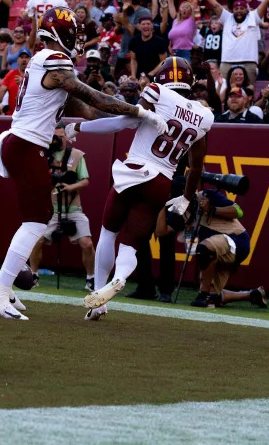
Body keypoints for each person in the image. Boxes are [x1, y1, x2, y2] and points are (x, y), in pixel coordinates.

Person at [0, 7, 168, 320]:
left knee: (35, 218)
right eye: (74, 32)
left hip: (22, 144)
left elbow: (89, 110)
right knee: (37, 221)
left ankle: (1, 283)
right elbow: (96, 97)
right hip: (26, 144)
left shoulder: (45, 65)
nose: (77, 38)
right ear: (62, 33)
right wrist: (142, 113)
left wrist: (127, 120)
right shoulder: (55, 60)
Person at [71, 57, 213, 320]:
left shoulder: (158, 93)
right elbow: (196, 167)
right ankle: (121, 277)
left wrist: (78, 126)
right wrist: (185, 198)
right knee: (130, 247)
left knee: (107, 233)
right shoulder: (204, 114)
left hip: (134, 172)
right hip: (162, 181)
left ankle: (99, 298)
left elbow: (119, 123)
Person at [28, 123, 96, 292]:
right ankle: (33, 274)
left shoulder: (77, 155)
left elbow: (86, 181)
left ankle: (91, 279)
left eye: (60, 136)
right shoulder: (44, 155)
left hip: (73, 209)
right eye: (54, 137)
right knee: (37, 240)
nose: (57, 140)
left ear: (67, 137)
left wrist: (69, 187)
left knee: (87, 243)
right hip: (51, 210)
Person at [188, 189, 267, 309]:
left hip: (235, 240)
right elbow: (164, 232)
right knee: (213, 298)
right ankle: (252, 295)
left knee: (204, 249)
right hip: (215, 249)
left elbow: (238, 211)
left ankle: (203, 295)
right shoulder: (178, 209)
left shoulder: (207, 195)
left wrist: (212, 209)